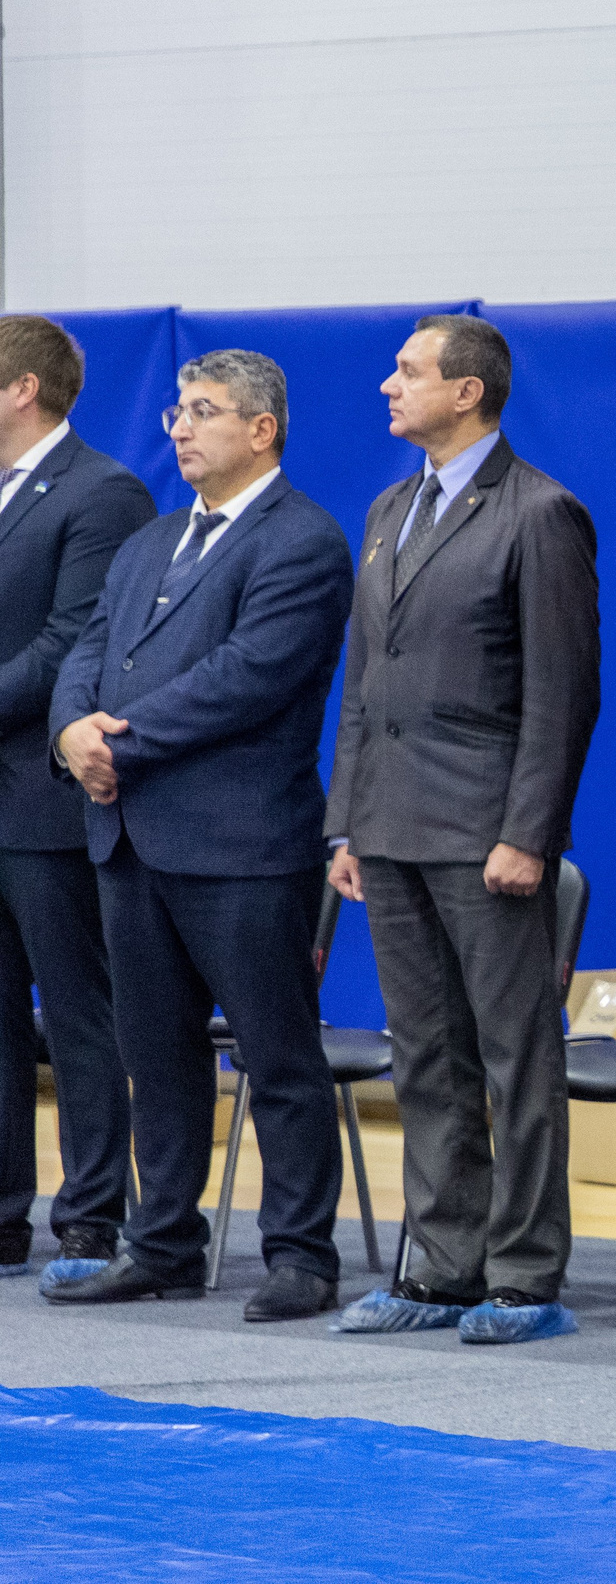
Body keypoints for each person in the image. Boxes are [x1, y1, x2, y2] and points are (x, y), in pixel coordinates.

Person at [47, 350, 355, 1322]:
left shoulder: (301, 540)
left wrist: (117, 742)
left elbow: (251, 675)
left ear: (261, 430)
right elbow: (89, 651)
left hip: (243, 846)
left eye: (202, 412)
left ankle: (301, 1254)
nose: (178, 427)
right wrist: (70, 733)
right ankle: (165, 1242)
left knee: (279, 1058)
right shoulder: (149, 542)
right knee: (159, 1053)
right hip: (131, 840)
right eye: (176, 411)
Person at [324, 316, 600, 1344]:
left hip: (485, 830)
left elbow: (561, 695)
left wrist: (530, 832)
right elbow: (365, 681)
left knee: (512, 1056)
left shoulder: (539, 514)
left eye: (408, 372)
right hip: (389, 828)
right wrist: (345, 820)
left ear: (469, 392)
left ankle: (524, 1272)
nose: (389, 386)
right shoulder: (390, 507)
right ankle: (441, 1265)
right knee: (424, 1056)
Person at [0, 317, 156, 1285]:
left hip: (47, 803)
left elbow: (72, 645)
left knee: (80, 1018)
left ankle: (91, 1217)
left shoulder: (104, 492)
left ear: (22, 388)